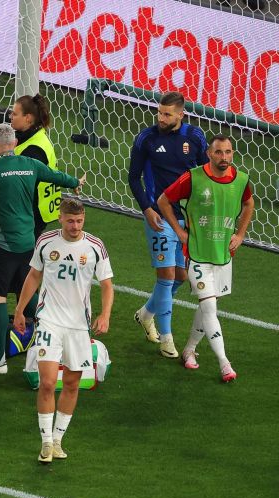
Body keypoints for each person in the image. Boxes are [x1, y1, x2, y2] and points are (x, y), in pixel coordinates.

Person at [0, 123, 85, 375]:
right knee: (29, 297)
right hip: (29, 245)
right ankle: (67, 345)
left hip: (2, 247)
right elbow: (57, 177)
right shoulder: (30, 165)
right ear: (13, 142)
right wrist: (76, 181)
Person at [13, 197, 114, 463]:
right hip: (50, 320)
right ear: (60, 218)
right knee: (47, 382)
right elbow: (34, 275)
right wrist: (21, 309)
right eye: (70, 220)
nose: (75, 226)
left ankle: (58, 440)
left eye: (79, 221)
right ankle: (45, 442)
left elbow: (106, 284)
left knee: (72, 382)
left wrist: (105, 314)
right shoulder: (46, 241)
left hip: (79, 326)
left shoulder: (94, 246)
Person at [158, 135, 253, 382]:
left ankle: (189, 350)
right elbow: (164, 200)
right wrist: (179, 232)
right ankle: (225, 363)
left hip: (223, 255)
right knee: (210, 307)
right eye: (219, 152)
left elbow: (249, 203)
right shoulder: (193, 178)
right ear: (209, 154)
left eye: (228, 152)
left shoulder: (241, 180)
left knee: (206, 305)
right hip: (197, 255)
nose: (224, 157)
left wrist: (240, 235)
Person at [128, 91, 209, 358]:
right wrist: (147, 209)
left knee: (182, 276)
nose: (161, 118)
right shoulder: (146, 138)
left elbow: (204, 176)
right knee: (167, 277)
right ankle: (167, 338)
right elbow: (133, 178)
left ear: (180, 114)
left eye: (167, 115)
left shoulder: (195, 138)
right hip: (159, 218)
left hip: (185, 219)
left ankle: (146, 313)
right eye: (159, 113)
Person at [9, 93, 60, 230]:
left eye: (14, 114)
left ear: (28, 118)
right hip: (36, 209)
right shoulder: (36, 135)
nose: (10, 117)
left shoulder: (34, 150)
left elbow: (17, 183)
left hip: (31, 213)